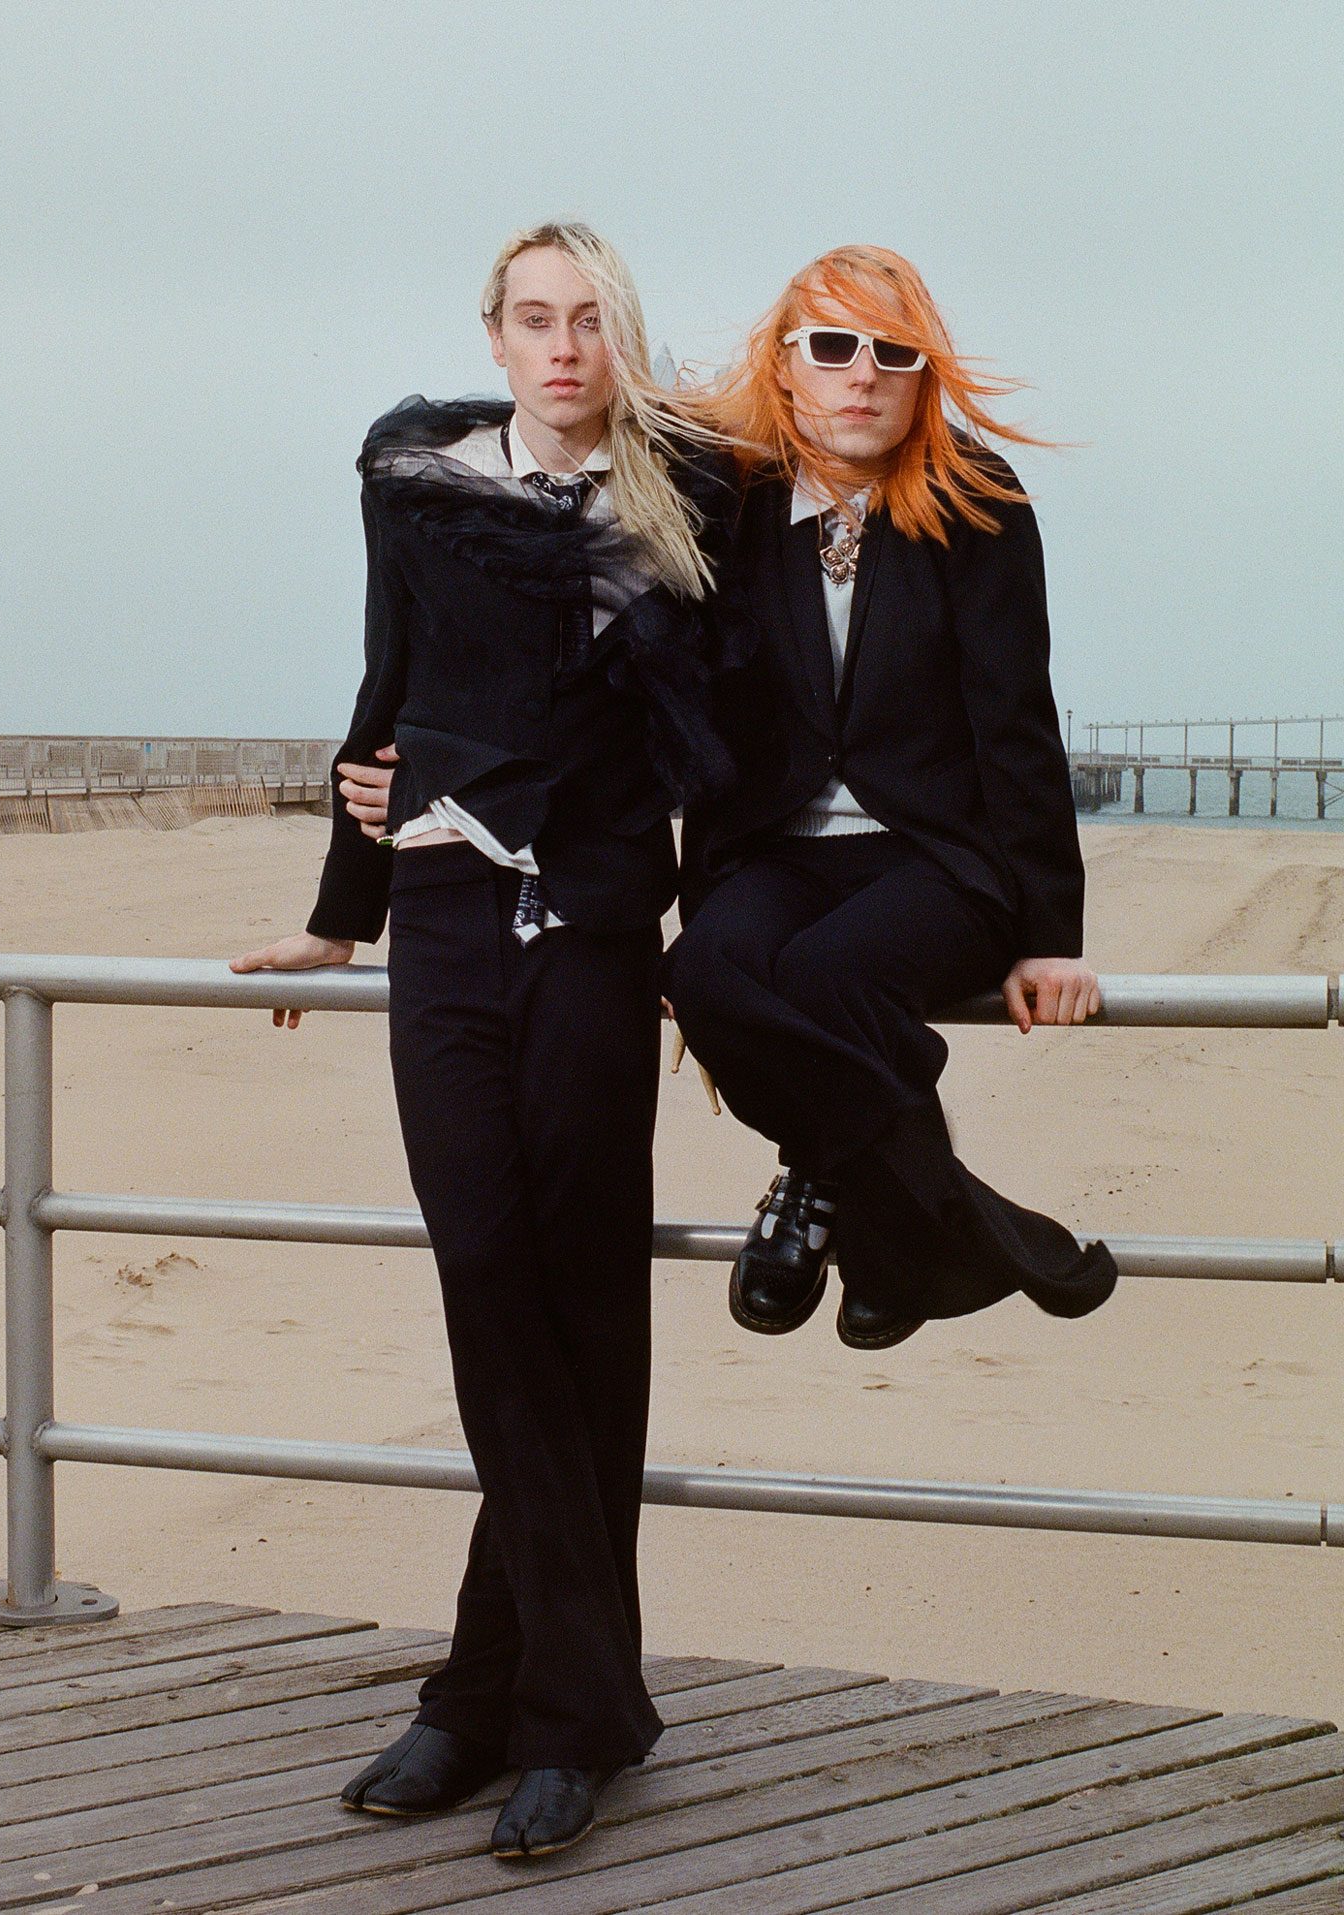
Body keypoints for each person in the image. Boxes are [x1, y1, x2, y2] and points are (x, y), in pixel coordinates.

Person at [232, 222, 730, 1859]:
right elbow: (389, 679)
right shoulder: (418, 475)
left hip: (593, 932)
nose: (565, 346)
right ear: (496, 338)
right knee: (486, 1276)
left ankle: (495, 1698)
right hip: (445, 935)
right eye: (536, 320)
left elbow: (714, 743)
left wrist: (715, 950)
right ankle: (576, 1700)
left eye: (592, 320)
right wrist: (340, 903)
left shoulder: (684, 507)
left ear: (623, 337)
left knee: (582, 1301)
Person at [665, 245, 1117, 1352]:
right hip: (772, 850)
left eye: (892, 351)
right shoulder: (729, 503)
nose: (861, 374)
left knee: (825, 974)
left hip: (933, 858)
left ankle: (820, 1192)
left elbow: (1017, 723)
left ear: (922, 374)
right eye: (832, 346)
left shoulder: (980, 502)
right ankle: (919, 1220)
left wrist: (1053, 934)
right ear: (786, 365)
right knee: (703, 968)